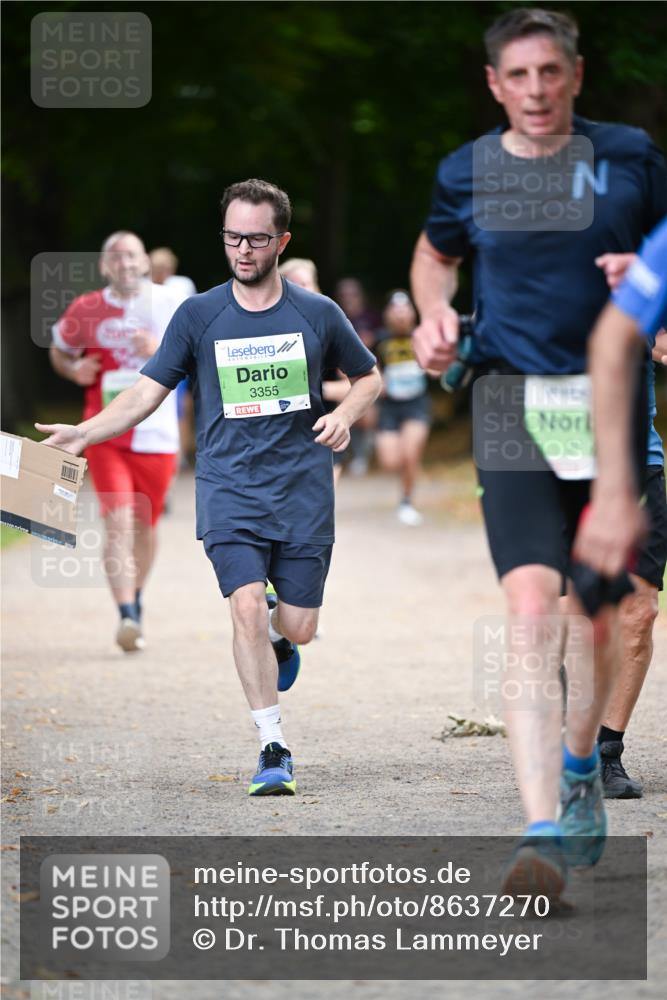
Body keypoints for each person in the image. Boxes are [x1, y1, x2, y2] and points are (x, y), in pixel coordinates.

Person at [410, 7, 666, 898]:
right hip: (508, 401)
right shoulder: (466, 171)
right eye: (516, 77)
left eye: (549, 73)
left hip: (605, 404)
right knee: (529, 610)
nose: (534, 92)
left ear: (576, 75)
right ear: (493, 84)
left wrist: (649, 293)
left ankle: (582, 766)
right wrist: (436, 315)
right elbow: (433, 257)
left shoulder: (629, 156)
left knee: (591, 619)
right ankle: (542, 828)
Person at [37, 179, 381, 797]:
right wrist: (86, 433)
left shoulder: (316, 312)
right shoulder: (197, 315)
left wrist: (344, 414)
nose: (242, 250)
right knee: (244, 603)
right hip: (229, 487)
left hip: (302, 488)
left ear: (282, 241)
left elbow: (368, 378)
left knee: (299, 626)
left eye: (255, 238)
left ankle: (283, 635)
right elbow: (146, 391)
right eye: (232, 238)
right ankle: (273, 746)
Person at [45, 231, 180, 653]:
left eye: (131, 256)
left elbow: (199, 357)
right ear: (105, 266)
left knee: (146, 524)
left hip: (158, 433)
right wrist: (73, 370)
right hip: (105, 432)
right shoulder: (87, 307)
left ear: (145, 262)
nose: (124, 264)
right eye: (115, 258)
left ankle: (136, 600)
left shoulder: (171, 303)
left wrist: (159, 349)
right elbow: (59, 348)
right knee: (119, 519)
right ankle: (126, 613)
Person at [575, 218, 667, 795]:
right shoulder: (529, 270)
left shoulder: (644, 265)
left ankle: (607, 750)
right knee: (577, 621)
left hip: (639, 463)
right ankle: (571, 741)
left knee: (638, 614)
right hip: (557, 468)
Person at [280, 258, 351, 487]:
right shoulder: (264, 334)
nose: (300, 291)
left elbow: (357, 385)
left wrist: (315, 390)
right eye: (292, 285)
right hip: (278, 439)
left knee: (315, 509)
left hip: (322, 434)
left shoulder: (330, 329)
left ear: (316, 288)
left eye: (305, 284)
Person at [374, 290, 432, 526]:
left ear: (412, 313)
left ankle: (406, 501)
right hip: (389, 406)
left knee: (410, 454)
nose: (400, 315)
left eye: (404, 309)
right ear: (387, 314)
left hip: (416, 404)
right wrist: (379, 379)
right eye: (395, 310)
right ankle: (405, 481)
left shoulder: (423, 336)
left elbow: (440, 364)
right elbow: (364, 366)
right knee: (390, 461)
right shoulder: (379, 340)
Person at [150, 246, 197, 467]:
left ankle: (178, 453)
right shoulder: (143, 290)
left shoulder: (182, 285)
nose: (162, 272)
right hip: (150, 355)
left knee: (180, 404)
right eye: (158, 268)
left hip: (178, 353)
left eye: (166, 267)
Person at [334, 277, 381, 475]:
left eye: (353, 294)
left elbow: (382, 344)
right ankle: (347, 454)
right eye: (345, 295)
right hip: (340, 375)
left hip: (369, 372)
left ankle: (362, 453)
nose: (349, 298)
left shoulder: (372, 317)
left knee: (367, 414)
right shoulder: (337, 316)